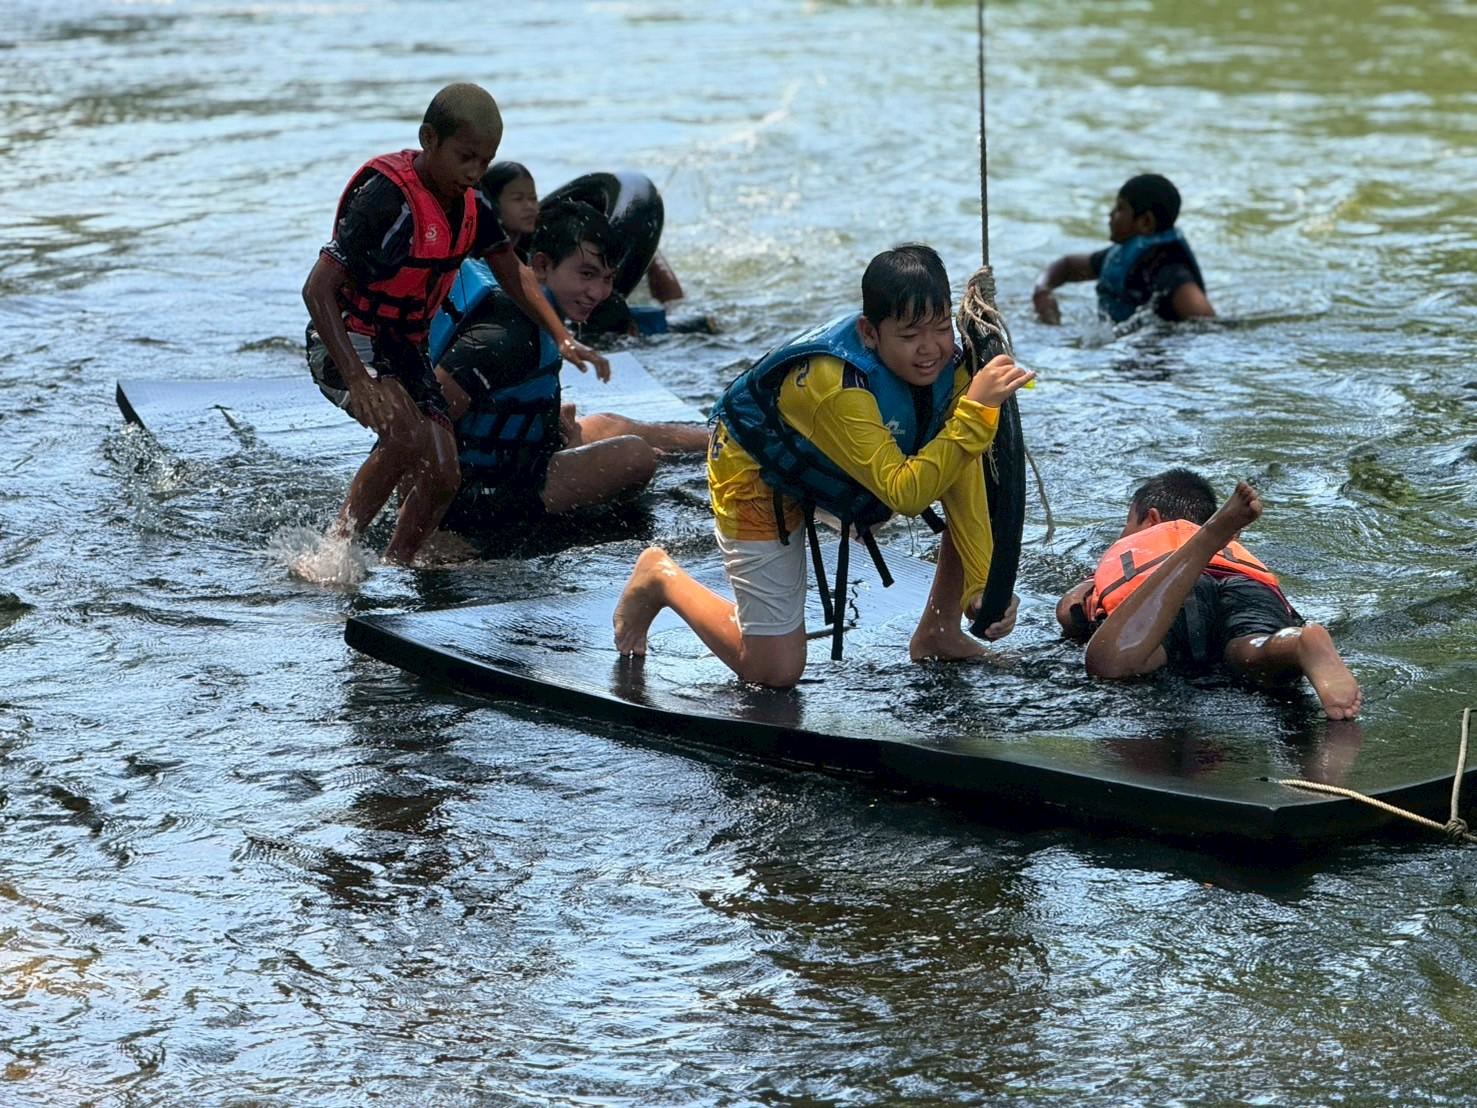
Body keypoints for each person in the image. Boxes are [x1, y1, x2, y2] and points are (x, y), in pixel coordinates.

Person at [612, 244, 1034, 688]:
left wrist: (981, 587)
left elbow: (963, 478)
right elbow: (907, 495)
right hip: (757, 469)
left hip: (842, 466)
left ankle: (939, 630)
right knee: (772, 672)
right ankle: (660, 577)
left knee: (963, 453)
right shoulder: (836, 386)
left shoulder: (954, 367)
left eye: (941, 328)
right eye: (910, 335)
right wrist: (975, 412)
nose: (930, 349)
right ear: (869, 332)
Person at [301, 84, 608, 566]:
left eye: (485, 161)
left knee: (444, 475)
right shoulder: (385, 199)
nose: (475, 172)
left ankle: (398, 562)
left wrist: (562, 336)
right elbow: (317, 290)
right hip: (345, 336)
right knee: (404, 436)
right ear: (429, 139)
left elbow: (513, 273)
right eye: (466, 157)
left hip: (404, 347)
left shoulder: (471, 205)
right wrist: (358, 381)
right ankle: (333, 553)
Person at [433, 200, 708, 533]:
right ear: (542, 265)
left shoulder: (539, 316)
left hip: (517, 458)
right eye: (587, 274)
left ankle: (723, 439)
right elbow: (425, 420)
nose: (599, 292)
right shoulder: (507, 334)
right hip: (481, 494)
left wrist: (548, 423)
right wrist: (430, 528)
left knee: (608, 425)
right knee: (635, 456)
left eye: (607, 279)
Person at [1055, 469, 1361, 720]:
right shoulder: (1237, 554)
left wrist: (1083, 593)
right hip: (1247, 583)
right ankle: (1295, 643)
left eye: (1127, 524)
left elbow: (1070, 612)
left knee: (1110, 664)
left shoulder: (1141, 547)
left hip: (1169, 586)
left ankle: (1209, 538)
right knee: (1249, 648)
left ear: (1151, 519)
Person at [1032, 173, 1214, 326]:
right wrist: (1043, 290)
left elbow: (1207, 323)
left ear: (1145, 222)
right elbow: (1067, 266)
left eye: (1120, 208)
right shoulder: (1124, 257)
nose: (1111, 214)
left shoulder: (1169, 270)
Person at [480, 160, 539, 262]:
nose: (530, 206)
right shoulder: (475, 261)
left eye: (533, 198)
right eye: (518, 199)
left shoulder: (527, 257)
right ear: (492, 203)